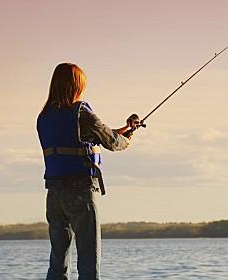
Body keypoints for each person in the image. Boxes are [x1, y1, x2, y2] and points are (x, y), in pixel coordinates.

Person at [37, 63, 136, 280]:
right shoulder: (82, 114)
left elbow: (87, 135)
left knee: (58, 264)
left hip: (54, 196)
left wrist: (119, 130)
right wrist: (128, 137)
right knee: (88, 263)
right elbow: (112, 142)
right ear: (76, 86)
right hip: (80, 193)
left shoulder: (44, 117)